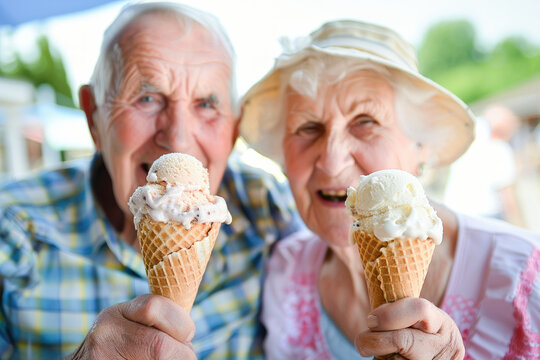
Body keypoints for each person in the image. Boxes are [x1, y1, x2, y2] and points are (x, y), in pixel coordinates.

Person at [0, 3, 303, 359]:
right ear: (94, 116)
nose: (178, 140)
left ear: (233, 131)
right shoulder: (13, 229)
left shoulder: (266, 208)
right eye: (147, 98)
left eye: (206, 104)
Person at [241, 20, 540, 359]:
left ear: (420, 146)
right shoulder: (284, 271)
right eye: (308, 127)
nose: (332, 160)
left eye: (365, 121)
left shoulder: (528, 279)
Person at [444, 104, 523, 225]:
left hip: (455, 215)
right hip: (487, 218)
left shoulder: (466, 142)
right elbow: (508, 199)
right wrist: (521, 229)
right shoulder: (500, 149)